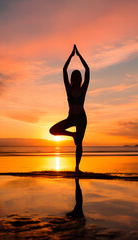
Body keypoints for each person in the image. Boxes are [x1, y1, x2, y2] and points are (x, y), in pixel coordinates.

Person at [50, 44, 89, 173]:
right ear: (72, 79)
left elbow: (87, 70)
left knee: (79, 144)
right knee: (53, 130)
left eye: (78, 77)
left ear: (80, 79)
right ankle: (72, 134)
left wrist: (80, 56)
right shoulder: (69, 89)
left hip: (81, 119)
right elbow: (64, 70)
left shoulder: (83, 89)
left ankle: (77, 168)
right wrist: (71, 56)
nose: (77, 78)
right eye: (75, 77)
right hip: (71, 118)